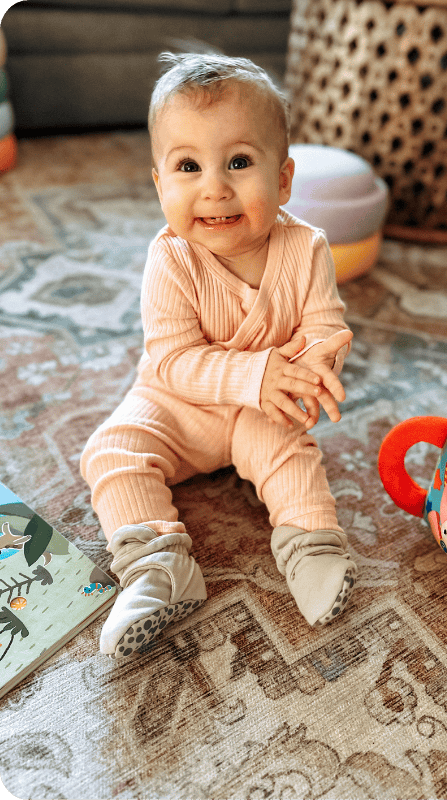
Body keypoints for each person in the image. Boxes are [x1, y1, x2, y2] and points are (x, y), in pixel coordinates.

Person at [80, 52, 357, 659]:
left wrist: (316, 367)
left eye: (238, 161)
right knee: (110, 451)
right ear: (159, 183)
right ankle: (157, 568)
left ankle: (311, 544)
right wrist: (255, 372)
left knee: (291, 453)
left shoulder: (307, 249)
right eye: (187, 166)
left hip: (264, 409)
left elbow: (324, 327)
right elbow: (174, 360)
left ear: (283, 180)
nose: (214, 187)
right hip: (176, 404)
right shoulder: (171, 258)